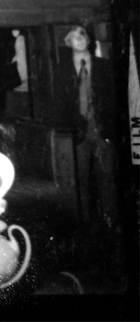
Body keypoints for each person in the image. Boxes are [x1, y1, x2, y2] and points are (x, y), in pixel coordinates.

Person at [52, 25, 120, 229]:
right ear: (68, 43)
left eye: (82, 36)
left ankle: (111, 221)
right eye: (74, 37)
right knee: (78, 180)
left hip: (102, 131)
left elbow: (113, 100)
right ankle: (83, 224)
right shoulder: (61, 69)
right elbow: (58, 103)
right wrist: (63, 132)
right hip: (76, 134)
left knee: (107, 178)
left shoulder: (104, 66)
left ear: (88, 41)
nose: (79, 39)